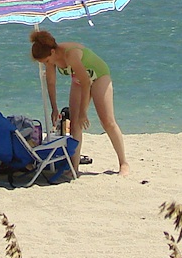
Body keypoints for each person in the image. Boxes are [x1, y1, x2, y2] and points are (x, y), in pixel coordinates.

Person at [29, 28, 128, 175]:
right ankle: (74, 167)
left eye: (46, 61)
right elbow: (51, 83)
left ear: (52, 52)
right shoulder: (50, 59)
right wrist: (54, 109)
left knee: (107, 121)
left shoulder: (71, 54)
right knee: (74, 124)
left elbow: (87, 82)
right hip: (79, 80)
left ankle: (123, 163)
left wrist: (83, 112)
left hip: (98, 76)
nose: (46, 64)